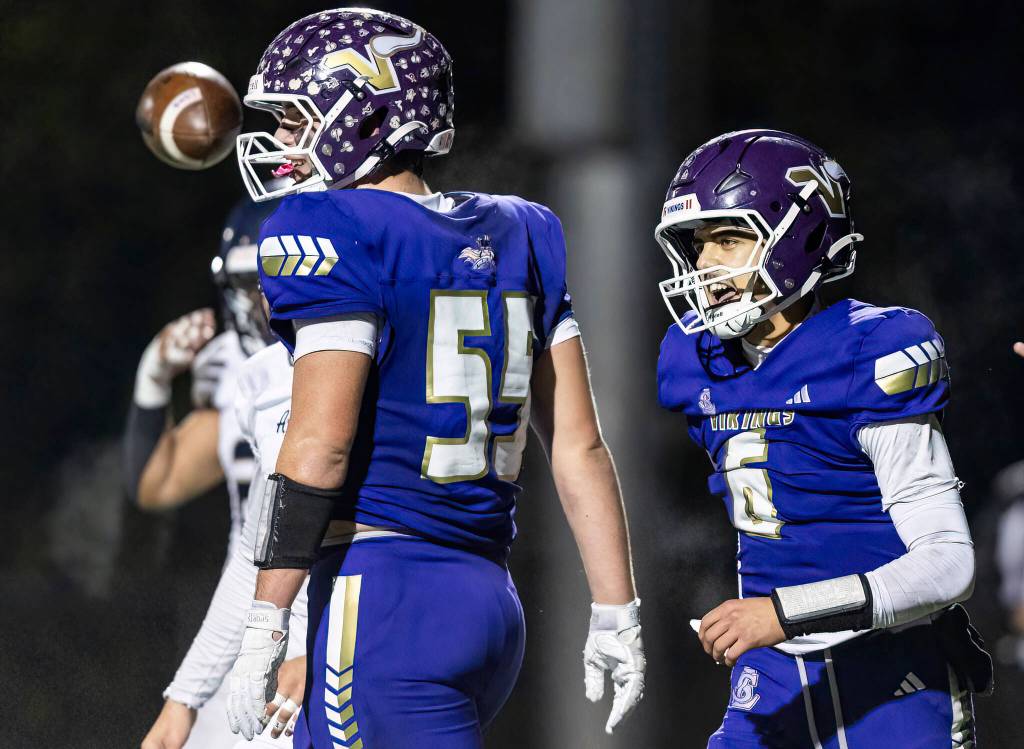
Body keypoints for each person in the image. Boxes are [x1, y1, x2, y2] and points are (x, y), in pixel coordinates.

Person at [225, 8, 644, 748]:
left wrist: (268, 621)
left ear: (361, 115)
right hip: (486, 601)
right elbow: (578, 446)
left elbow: (319, 443)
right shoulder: (523, 229)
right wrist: (617, 608)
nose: (284, 142)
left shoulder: (328, 227)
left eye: (297, 120)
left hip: (383, 593)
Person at [654, 129, 991, 748]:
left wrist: (781, 612)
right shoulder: (692, 360)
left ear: (796, 238)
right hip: (773, 670)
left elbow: (949, 563)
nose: (703, 264)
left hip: (891, 673)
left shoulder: (870, 348)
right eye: (699, 244)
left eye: (728, 239)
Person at [130, 200, 309, 748]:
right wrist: (153, 381)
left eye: (268, 282)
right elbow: (158, 485)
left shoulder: (335, 354)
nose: (260, 302)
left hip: (330, 611)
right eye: (247, 284)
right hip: (250, 617)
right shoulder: (248, 376)